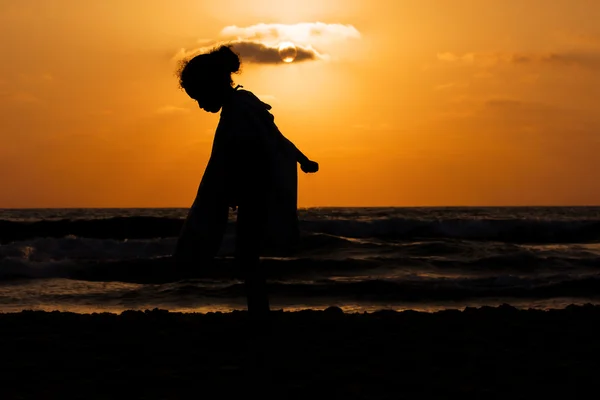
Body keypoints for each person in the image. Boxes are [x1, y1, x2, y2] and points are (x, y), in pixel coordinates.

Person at [174, 45, 319, 316]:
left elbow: (273, 136)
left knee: (246, 258)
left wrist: (301, 159)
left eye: (199, 96)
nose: (200, 104)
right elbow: (269, 138)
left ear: (212, 85)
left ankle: (259, 315)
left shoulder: (242, 106)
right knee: (246, 258)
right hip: (250, 193)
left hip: (257, 194)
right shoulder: (237, 107)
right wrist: (302, 158)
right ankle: (258, 312)